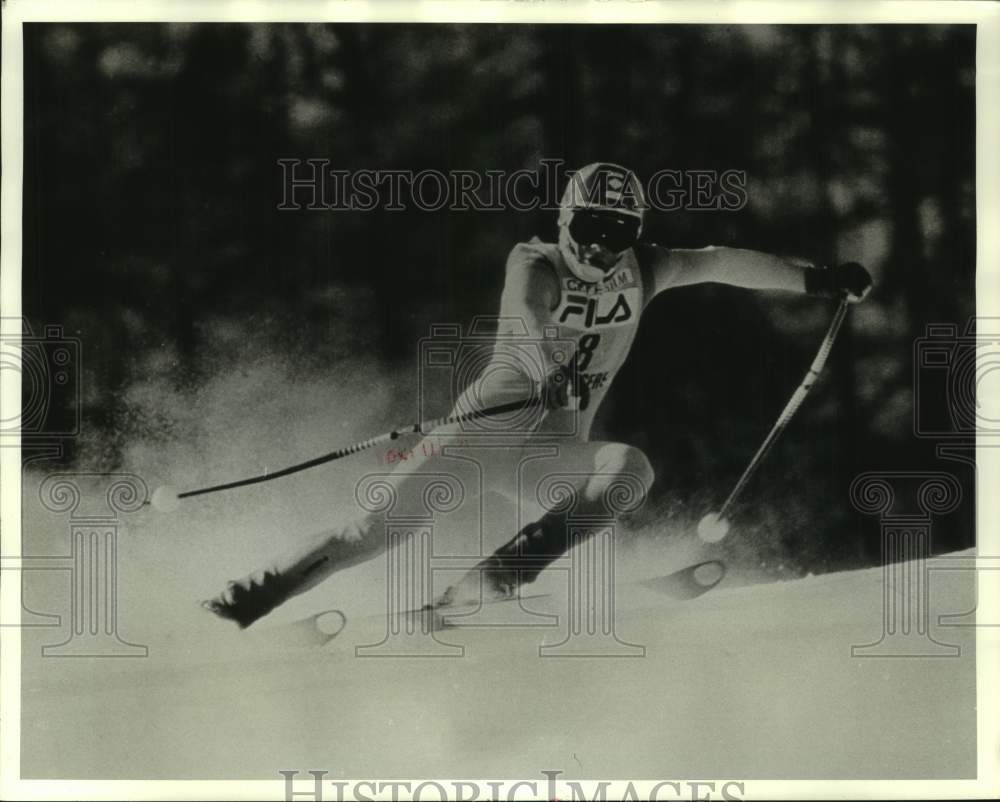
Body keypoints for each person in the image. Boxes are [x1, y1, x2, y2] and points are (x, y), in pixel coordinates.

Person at [203, 162, 872, 628]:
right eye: (591, 229)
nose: (604, 247)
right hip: (481, 438)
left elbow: (722, 260)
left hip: (547, 454)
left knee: (628, 472)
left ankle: (495, 580)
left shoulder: (646, 267)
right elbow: (525, 316)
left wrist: (817, 282)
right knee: (372, 532)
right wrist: (545, 363)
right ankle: (251, 600)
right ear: (564, 222)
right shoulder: (536, 260)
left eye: (619, 232)